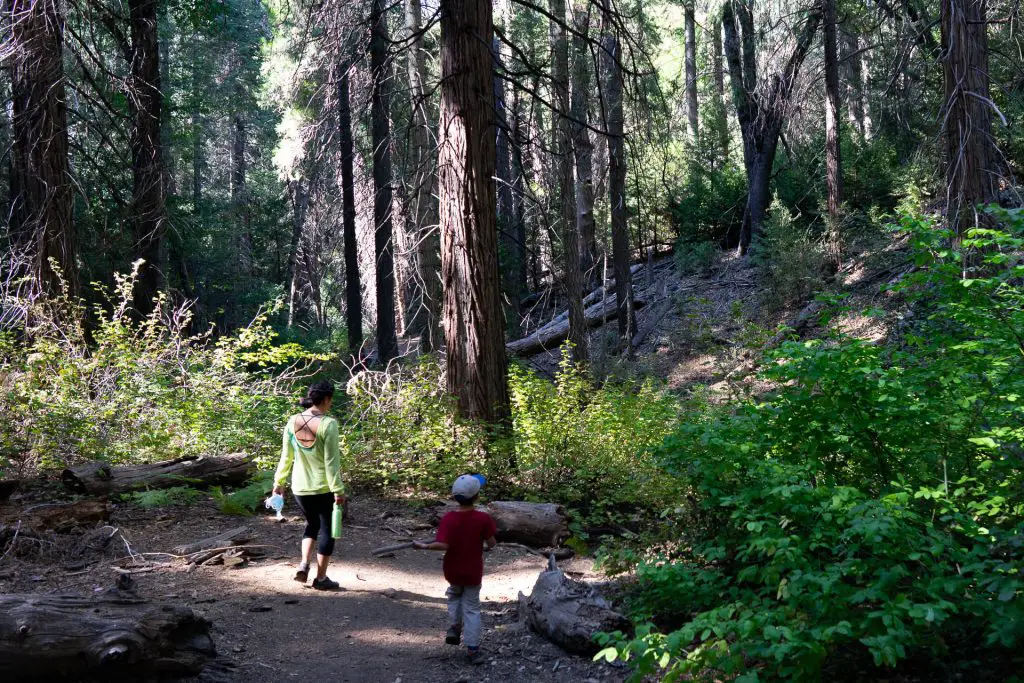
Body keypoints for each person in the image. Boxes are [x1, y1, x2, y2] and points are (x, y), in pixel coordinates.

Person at [414, 474, 497, 665]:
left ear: (454, 497)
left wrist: (425, 546)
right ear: (476, 497)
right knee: (472, 608)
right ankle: (473, 650)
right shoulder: (482, 518)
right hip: (473, 571)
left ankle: (454, 626)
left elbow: (443, 544)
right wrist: (485, 544)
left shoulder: (448, 519)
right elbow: (492, 543)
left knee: (454, 596)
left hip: (452, 570)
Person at [273, 380, 346, 590]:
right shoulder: (328, 424)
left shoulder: (293, 420)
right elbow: (331, 462)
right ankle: (321, 579)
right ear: (326, 399)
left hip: (299, 488)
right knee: (327, 531)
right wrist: (338, 490)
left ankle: (304, 565)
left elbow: (285, 457)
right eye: (331, 399)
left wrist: (279, 483)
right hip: (323, 488)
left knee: (311, 524)